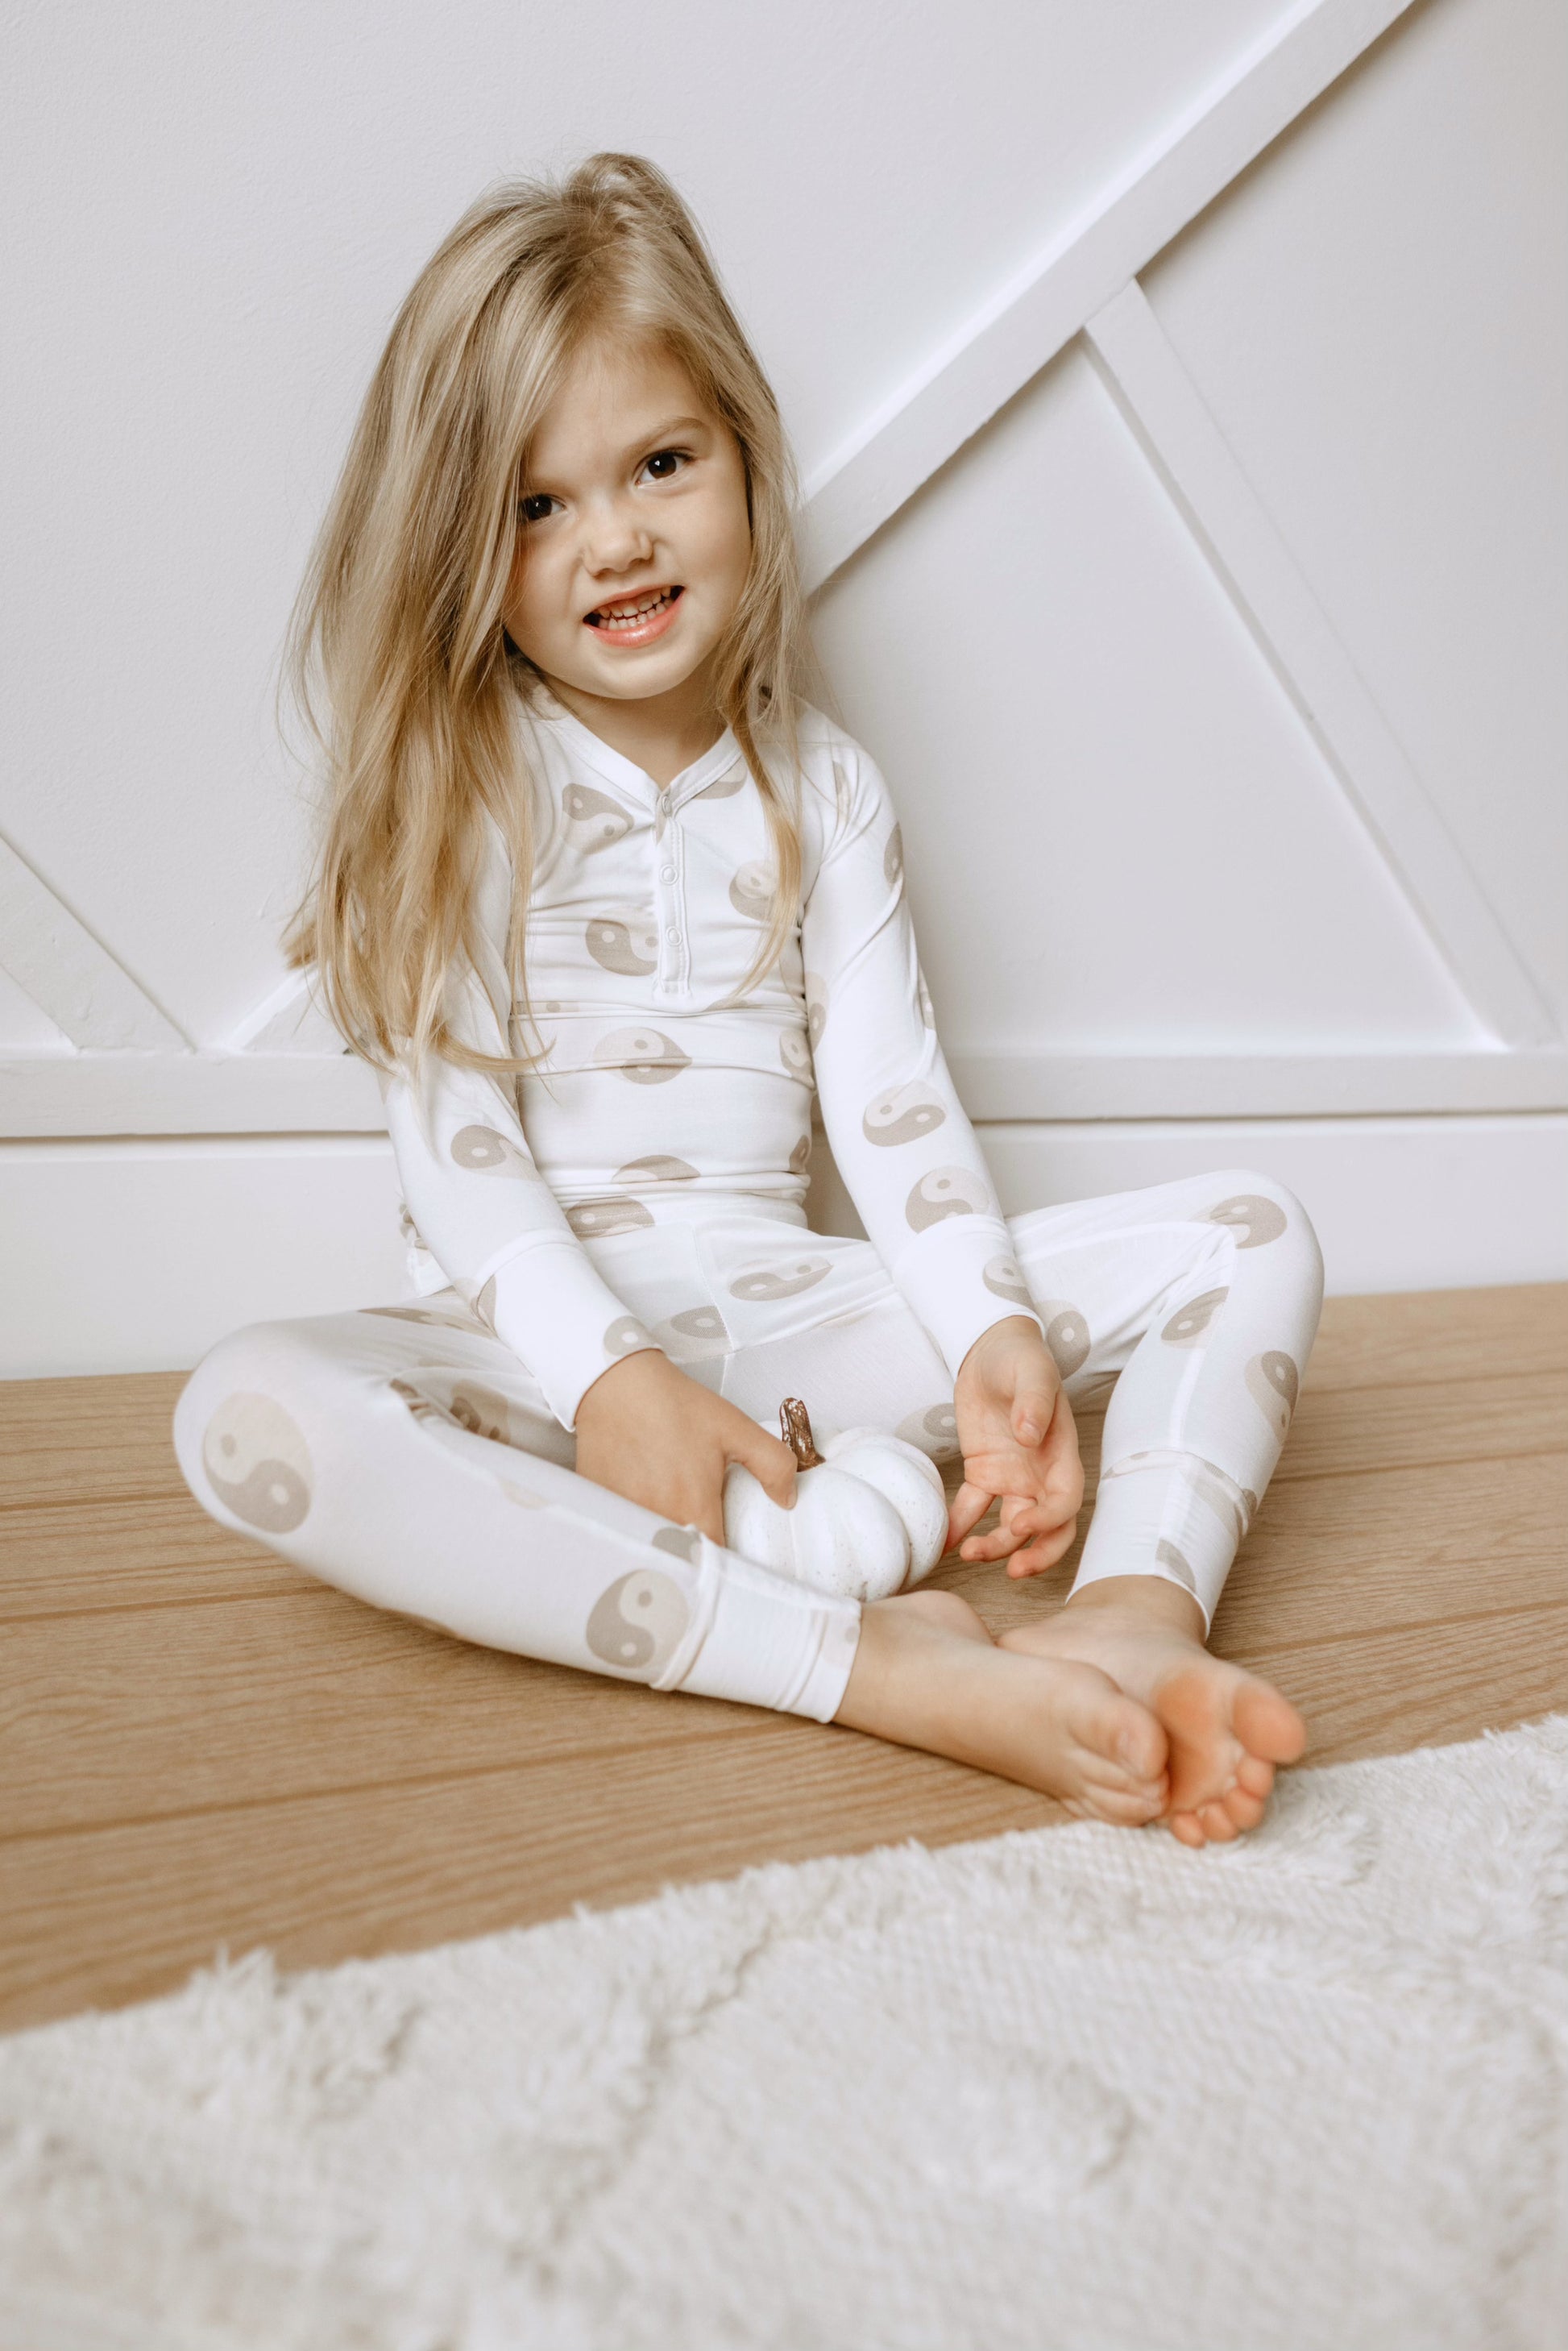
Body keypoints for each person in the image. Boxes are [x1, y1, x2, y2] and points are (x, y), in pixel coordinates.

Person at [174, 154, 1323, 1846]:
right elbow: (458, 1153)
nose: (616, 537)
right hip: (547, 1366)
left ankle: (1134, 1611)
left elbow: (891, 1104)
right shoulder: (459, 784)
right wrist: (607, 1380)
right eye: (535, 504)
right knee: (249, 1412)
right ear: (455, 542)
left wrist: (989, 1330)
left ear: (743, 461)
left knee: (1255, 1229)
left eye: (659, 464)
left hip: (794, 1336)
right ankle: (871, 1663)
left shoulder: (823, 786)